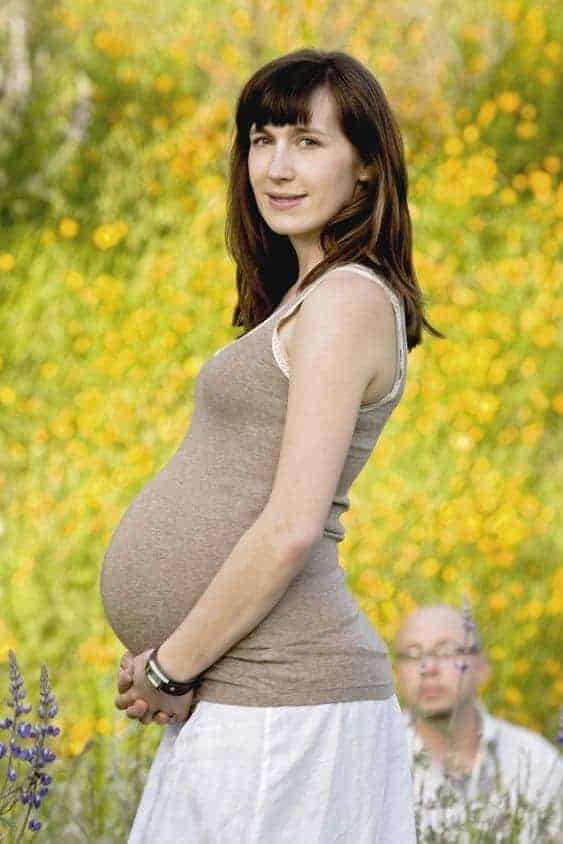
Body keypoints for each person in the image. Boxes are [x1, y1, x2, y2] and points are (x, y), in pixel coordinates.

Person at [101, 48, 441, 842]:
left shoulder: (347, 300)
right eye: (261, 140)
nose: (277, 168)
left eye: (306, 141)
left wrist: (168, 666)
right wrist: (177, 663)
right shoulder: (306, 296)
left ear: (365, 167)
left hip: (284, 704)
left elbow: (291, 526)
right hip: (247, 698)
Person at [393, 603, 563, 841]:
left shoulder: (538, 764)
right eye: (413, 654)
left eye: (445, 651)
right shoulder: (375, 764)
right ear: (397, 673)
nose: (428, 667)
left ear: (481, 666)